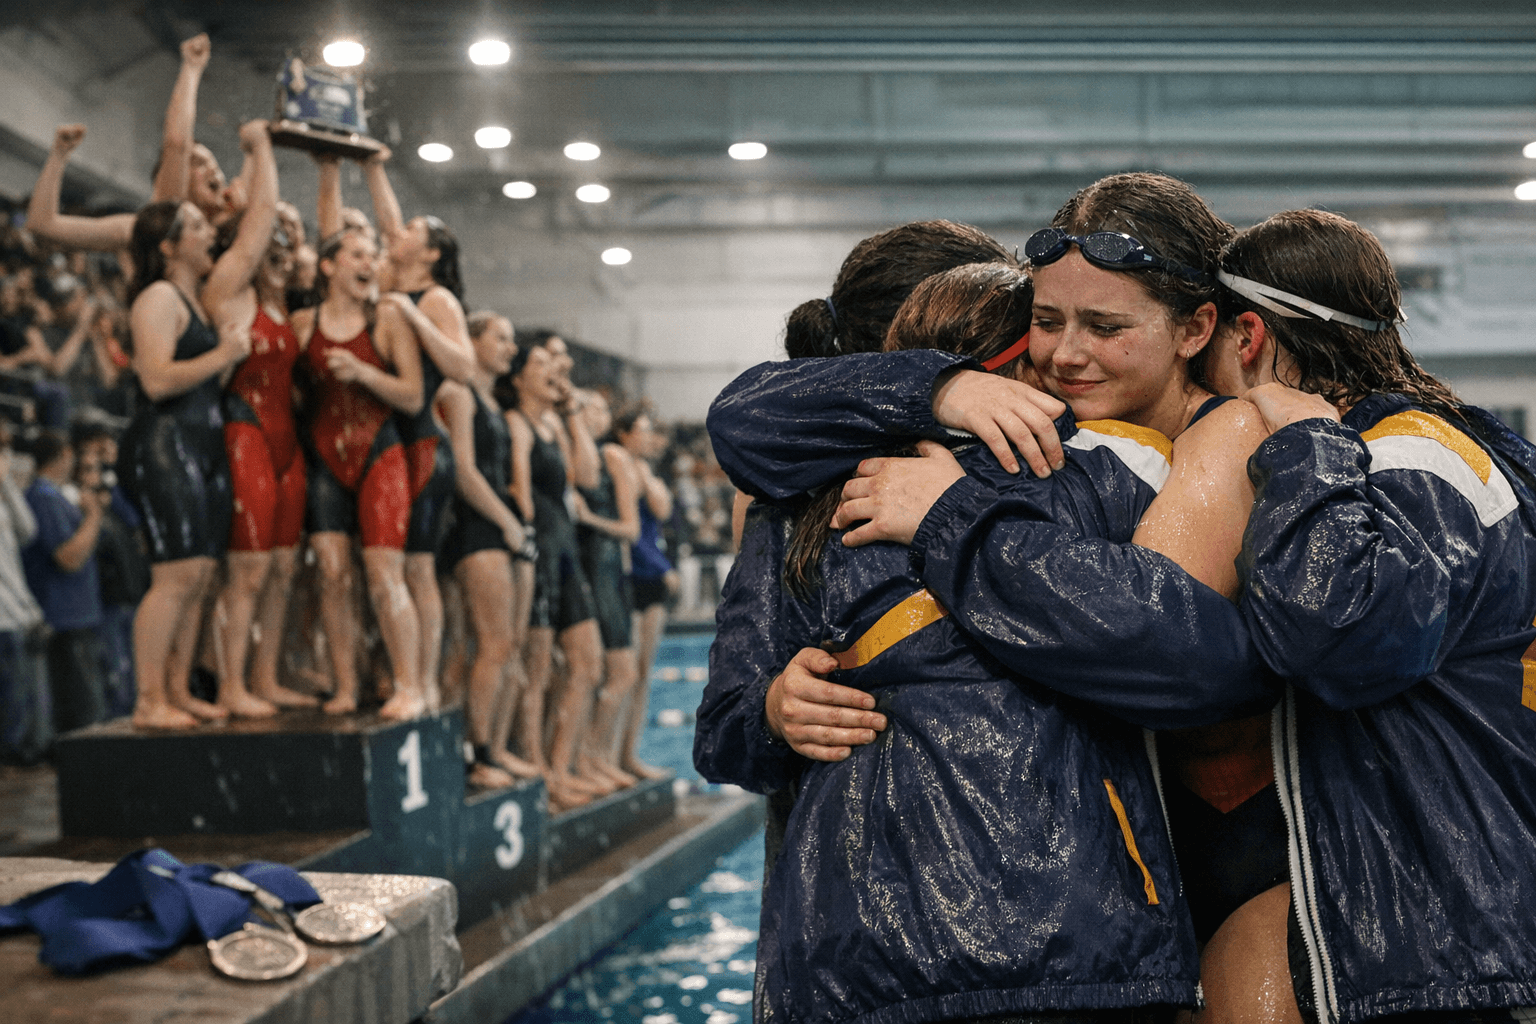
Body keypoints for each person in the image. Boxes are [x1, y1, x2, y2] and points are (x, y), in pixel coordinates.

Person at [1185, 209, 1536, 1024]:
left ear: (1248, 337)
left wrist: (1305, 446)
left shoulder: (1408, 459)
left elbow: (1341, 636)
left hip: (1453, 943)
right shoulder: (1442, 443)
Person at [117, 119, 271, 730]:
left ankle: (176, 689)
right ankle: (148, 698)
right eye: (200, 229)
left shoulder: (191, 299)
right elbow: (155, 380)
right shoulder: (158, 299)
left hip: (198, 443)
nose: (211, 234)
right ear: (170, 246)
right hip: (165, 443)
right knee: (174, 575)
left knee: (201, 573)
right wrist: (222, 357)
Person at [293, 227, 425, 721]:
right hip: (326, 457)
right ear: (329, 266)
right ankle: (346, 685)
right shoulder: (304, 323)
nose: (369, 263)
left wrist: (364, 372)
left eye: (374, 254)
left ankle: (409, 684)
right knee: (330, 574)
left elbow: (412, 395)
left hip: (380, 454)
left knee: (384, 575)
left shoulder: (386, 316)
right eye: (357, 255)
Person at [202, 157, 315, 717]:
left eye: (290, 243)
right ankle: (230, 685)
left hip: (285, 443)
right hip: (244, 431)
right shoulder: (231, 291)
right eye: (273, 239)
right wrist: (257, 154)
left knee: (283, 568)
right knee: (246, 570)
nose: (283, 249)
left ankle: (264, 676)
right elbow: (250, 236)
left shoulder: (283, 306)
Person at [504, 344, 606, 809]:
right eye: (539, 364)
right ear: (518, 379)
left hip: (566, 551)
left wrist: (569, 415)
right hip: (543, 550)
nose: (551, 372)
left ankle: (560, 768)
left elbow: (585, 474)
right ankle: (541, 773)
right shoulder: (517, 424)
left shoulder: (551, 424)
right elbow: (521, 494)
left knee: (587, 662)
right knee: (539, 669)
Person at [438, 311, 533, 788]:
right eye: (501, 337)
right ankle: (476, 756)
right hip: (475, 528)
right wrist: (507, 522)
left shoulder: (490, 401)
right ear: (470, 341)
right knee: (490, 644)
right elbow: (462, 469)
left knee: (501, 646)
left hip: (495, 527)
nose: (510, 348)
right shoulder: (458, 392)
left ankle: (490, 749)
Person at [26, 34, 215, 253]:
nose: (212, 170)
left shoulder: (222, 233)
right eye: (199, 163)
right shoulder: (153, 227)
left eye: (214, 165)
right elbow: (41, 224)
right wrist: (58, 155)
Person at [573, 388, 642, 788]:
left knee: (621, 672)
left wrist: (589, 519)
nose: (599, 414)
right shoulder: (581, 456)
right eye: (591, 408)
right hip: (591, 568)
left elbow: (630, 529)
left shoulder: (612, 456)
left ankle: (594, 757)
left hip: (607, 567)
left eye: (602, 409)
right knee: (598, 671)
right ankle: (586, 759)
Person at [22, 430, 107, 735]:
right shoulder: (42, 498)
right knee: (80, 715)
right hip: (64, 617)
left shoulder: (57, 496)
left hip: (78, 614)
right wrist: (94, 516)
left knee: (89, 707)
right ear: (62, 456)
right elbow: (68, 557)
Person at [614, 407, 674, 780]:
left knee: (642, 674)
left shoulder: (645, 470)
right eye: (643, 430)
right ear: (623, 433)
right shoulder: (618, 463)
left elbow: (663, 509)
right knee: (625, 673)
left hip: (651, 574)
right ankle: (612, 755)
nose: (650, 437)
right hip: (633, 574)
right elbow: (632, 532)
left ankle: (629, 752)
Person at [0, 421, 49, 763]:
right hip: (3, 615)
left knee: (22, 696)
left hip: (16, 610)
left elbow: (28, 530)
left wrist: (5, 482)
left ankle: (17, 754)